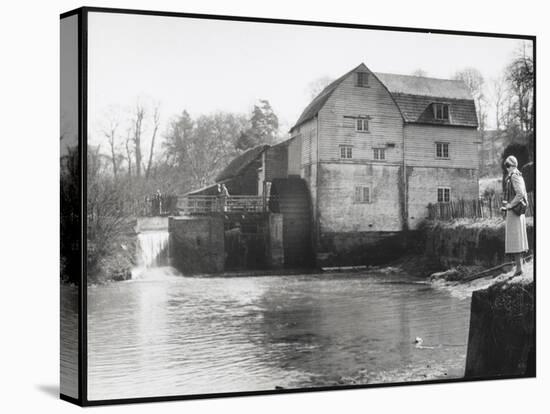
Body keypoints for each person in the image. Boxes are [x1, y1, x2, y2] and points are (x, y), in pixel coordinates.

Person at [501, 155, 529, 276]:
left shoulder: (514, 176)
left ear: (512, 165)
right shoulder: (517, 175)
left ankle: (519, 268)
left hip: (515, 212)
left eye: (507, 165)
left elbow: (521, 193)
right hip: (516, 211)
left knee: (515, 239)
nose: (506, 168)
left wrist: (510, 205)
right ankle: (520, 266)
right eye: (505, 165)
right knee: (517, 238)